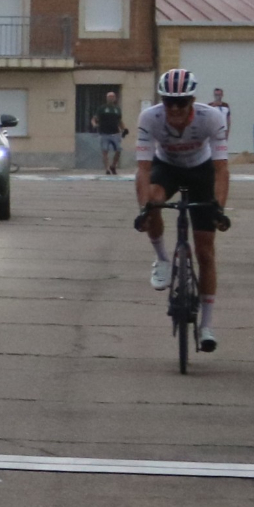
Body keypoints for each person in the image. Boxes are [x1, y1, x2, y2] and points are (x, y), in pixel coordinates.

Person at [134, 69, 230, 352]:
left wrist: (219, 209)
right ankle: (162, 258)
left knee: (205, 251)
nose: (175, 108)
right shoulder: (150, 118)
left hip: (202, 170)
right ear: (162, 101)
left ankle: (207, 326)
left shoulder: (211, 117)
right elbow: (143, 169)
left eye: (182, 102)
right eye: (169, 102)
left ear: (193, 100)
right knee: (153, 200)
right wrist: (144, 209)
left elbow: (222, 170)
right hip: (168, 168)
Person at [92, 90, 126, 176]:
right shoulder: (102, 108)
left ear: (115, 98)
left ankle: (113, 166)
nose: (111, 98)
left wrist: (124, 129)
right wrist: (94, 125)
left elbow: (119, 121)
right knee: (105, 151)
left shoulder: (117, 109)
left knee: (118, 150)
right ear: (106, 98)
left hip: (115, 133)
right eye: (109, 97)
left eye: (112, 97)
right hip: (104, 133)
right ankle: (107, 169)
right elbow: (94, 119)